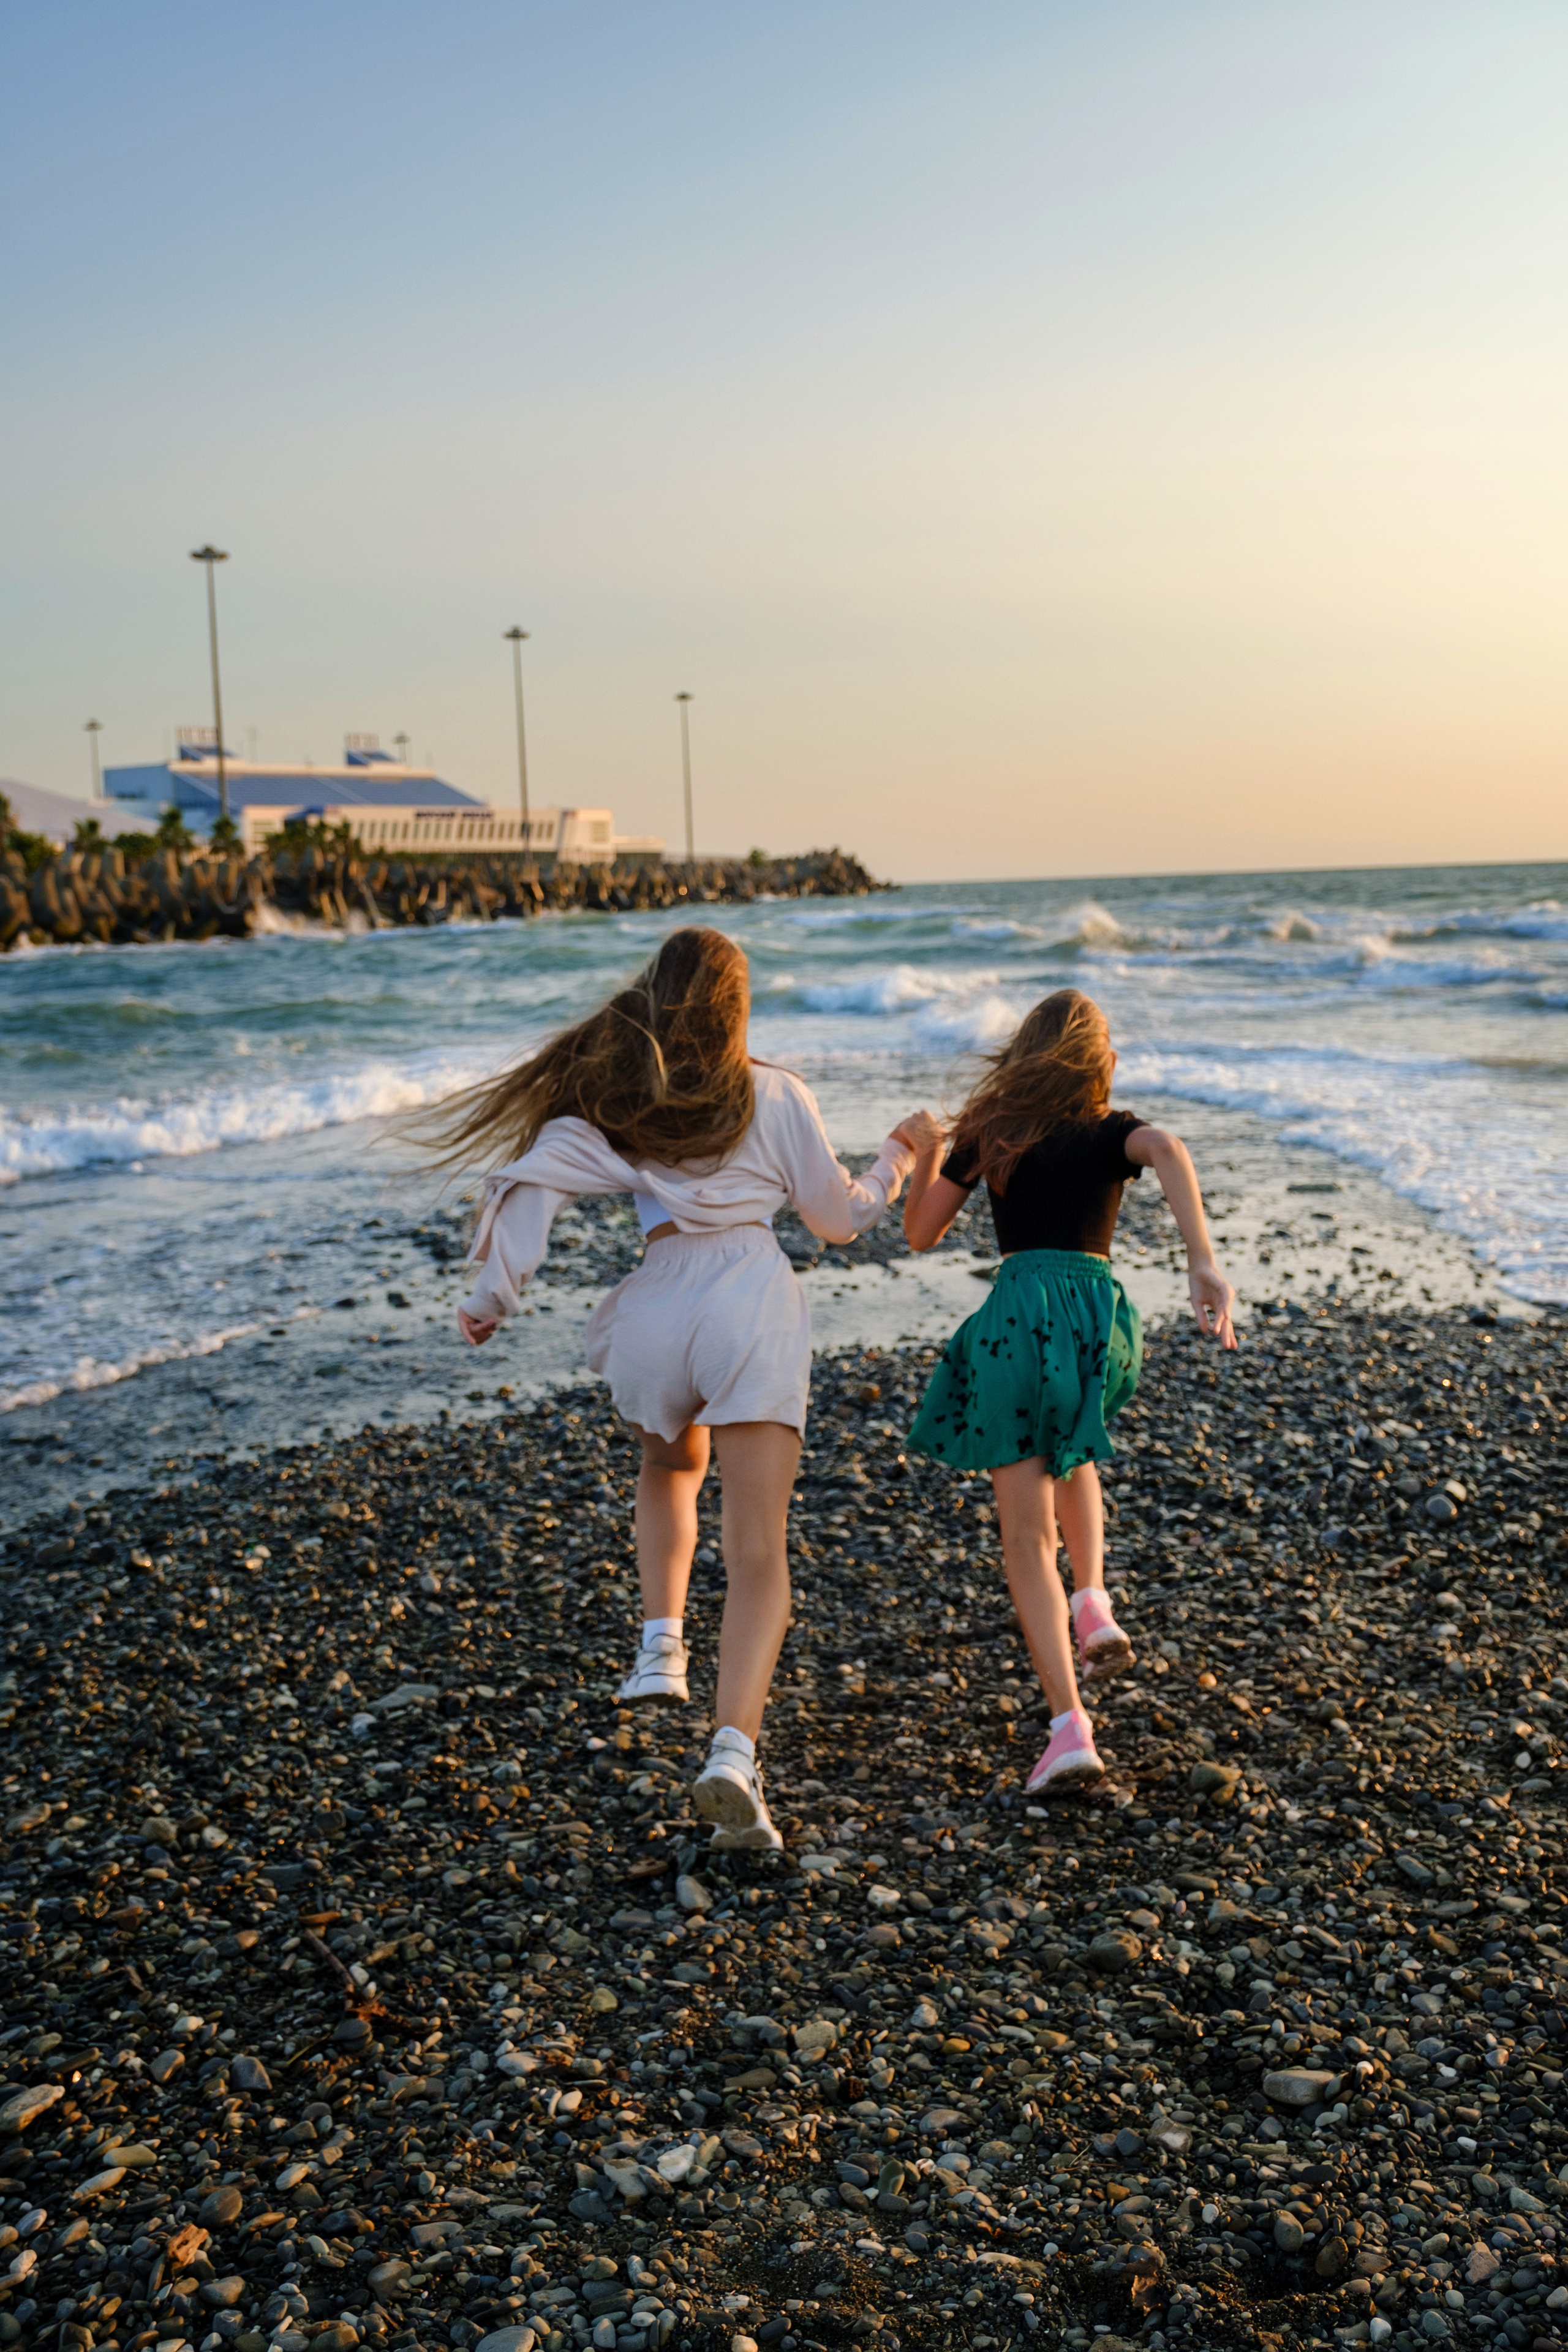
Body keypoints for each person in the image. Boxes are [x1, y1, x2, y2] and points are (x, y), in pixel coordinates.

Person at [432, 925, 940, 1850]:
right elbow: (838, 1220)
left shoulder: (627, 1096)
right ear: (738, 1007)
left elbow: (540, 1173)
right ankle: (733, 1755)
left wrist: (491, 1295)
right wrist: (898, 1157)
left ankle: (660, 1644)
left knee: (669, 1469)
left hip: (656, 1310)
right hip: (748, 1303)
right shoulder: (775, 1093)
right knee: (758, 1556)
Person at [901, 988, 1235, 1793]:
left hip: (1022, 1321)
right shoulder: (1111, 1132)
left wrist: (926, 1153)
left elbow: (919, 1233)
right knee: (1073, 1447)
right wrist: (1202, 1261)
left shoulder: (992, 1133)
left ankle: (1069, 1728)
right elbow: (1170, 1147)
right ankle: (1092, 1598)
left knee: (1025, 1538)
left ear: (1024, 1054)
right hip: (1098, 1323)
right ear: (1100, 1062)